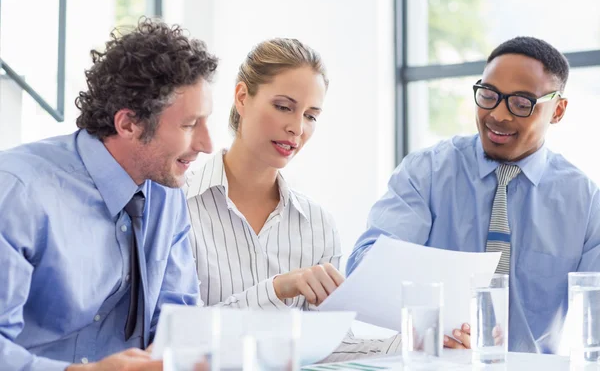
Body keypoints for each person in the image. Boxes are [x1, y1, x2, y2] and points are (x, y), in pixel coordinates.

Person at [347, 36, 600, 354]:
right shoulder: (427, 172)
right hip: (438, 362)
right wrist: (438, 314)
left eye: (521, 103)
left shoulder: (585, 201)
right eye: (489, 95)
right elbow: (365, 266)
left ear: (558, 110)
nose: (499, 115)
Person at [0, 18, 218, 370]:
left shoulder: (166, 192)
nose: (208, 144)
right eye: (190, 125)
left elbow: (177, 320)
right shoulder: (17, 192)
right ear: (129, 124)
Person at [185, 38, 403, 361]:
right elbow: (181, 339)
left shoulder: (318, 225)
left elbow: (327, 347)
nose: (297, 128)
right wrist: (276, 289)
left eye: (311, 116)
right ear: (242, 97)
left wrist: (422, 340)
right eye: (284, 107)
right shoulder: (178, 207)